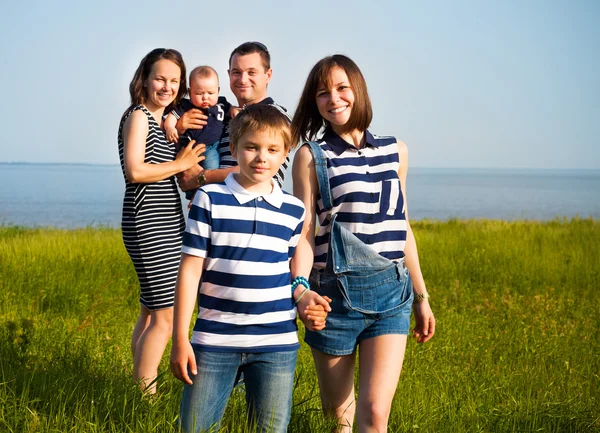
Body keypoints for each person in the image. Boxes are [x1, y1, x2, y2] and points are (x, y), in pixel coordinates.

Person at [291, 54, 436, 432]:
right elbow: (306, 232)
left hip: (392, 295)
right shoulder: (311, 156)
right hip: (332, 299)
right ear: (315, 102)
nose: (333, 98)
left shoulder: (395, 150)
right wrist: (300, 289)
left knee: (374, 415)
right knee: (338, 419)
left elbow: (401, 226)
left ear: (358, 90)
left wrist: (422, 297)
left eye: (341, 87)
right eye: (322, 92)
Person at [170, 104, 331, 433]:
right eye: (252, 147)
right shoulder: (209, 199)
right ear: (233, 148)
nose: (261, 158)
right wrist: (179, 338)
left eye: (272, 150)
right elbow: (189, 272)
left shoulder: (292, 209)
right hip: (213, 341)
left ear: (285, 153)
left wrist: (303, 292)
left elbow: (293, 262)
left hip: (276, 343)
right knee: (196, 428)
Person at [117, 48, 206, 394]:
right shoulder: (139, 115)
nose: (167, 87)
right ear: (144, 79)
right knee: (166, 318)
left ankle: (137, 388)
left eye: (174, 81)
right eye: (160, 78)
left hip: (164, 220)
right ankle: (145, 396)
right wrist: (181, 163)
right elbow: (136, 171)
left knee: (150, 312)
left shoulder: (158, 119)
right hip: (149, 221)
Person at [174, 41, 290, 194]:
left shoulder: (276, 116)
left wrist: (202, 177)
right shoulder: (223, 116)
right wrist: (178, 128)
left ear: (268, 75)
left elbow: (266, 173)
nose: (243, 79)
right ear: (228, 74)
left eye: (251, 72)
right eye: (236, 72)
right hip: (215, 208)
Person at [164, 66, 232, 201]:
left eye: (210, 93)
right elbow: (171, 117)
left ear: (218, 91)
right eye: (199, 93)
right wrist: (171, 128)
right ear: (190, 92)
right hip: (191, 147)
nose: (205, 98)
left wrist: (234, 111)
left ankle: (203, 197)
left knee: (212, 168)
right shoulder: (186, 106)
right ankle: (193, 197)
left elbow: (230, 111)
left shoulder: (222, 104)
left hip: (212, 147)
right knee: (188, 173)